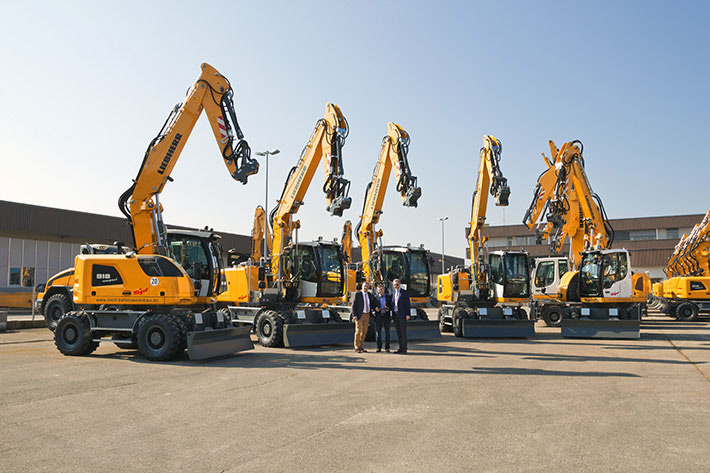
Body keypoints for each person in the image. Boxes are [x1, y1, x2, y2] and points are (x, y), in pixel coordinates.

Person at [350, 281, 378, 353]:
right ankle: (356, 347)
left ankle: (361, 346)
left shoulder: (369, 295)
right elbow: (354, 305)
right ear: (362, 286)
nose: (366, 287)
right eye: (365, 286)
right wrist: (354, 315)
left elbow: (372, 304)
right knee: (358, 330)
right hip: (360, 315)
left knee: (364, 331)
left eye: (367, 286)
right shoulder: (358, 294)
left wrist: (376, 308)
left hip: (367, 314)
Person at [391, 279, 411, 354]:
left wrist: (408, 314)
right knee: (398, 332)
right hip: (395, 315)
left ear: (399, 284)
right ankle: (400, 348)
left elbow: (407, 304)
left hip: (402, 315)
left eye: (397, 284)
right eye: (394, 285)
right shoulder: (393, 293)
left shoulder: (404, 292)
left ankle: (404, 349)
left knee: (403, 332)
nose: (395, 286)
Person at [373, 283, 392, 352]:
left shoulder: (388, 297)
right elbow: (372, 306)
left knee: (387, 333)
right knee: (378, 333)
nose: (380, 291)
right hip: (378, 316)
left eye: (381, 289)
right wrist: (375, 309)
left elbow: (392, 305)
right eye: (379, 290)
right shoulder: (375, 298)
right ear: (377, 290)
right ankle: (379, 347)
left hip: (386, 316)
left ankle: (387, 347)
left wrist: (388, 308)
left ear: (384, 289)